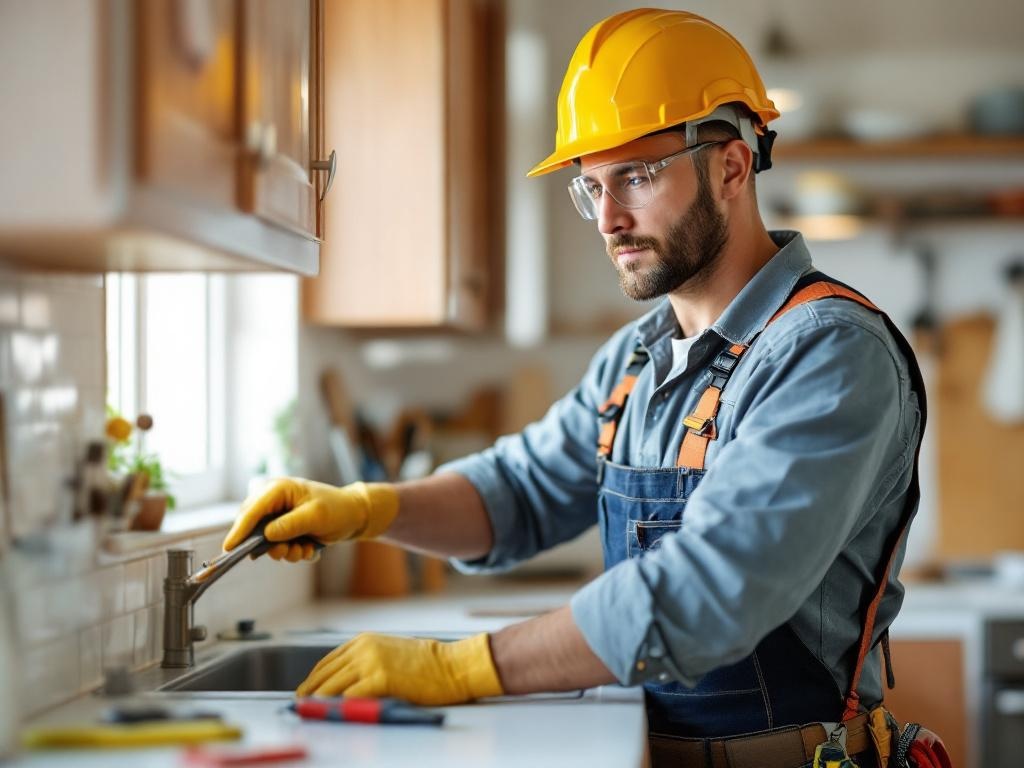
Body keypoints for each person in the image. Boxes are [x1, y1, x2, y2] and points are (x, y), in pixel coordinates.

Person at [223, 9, 926, 767]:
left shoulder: (826, 352)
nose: (609, 219)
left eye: (638, 175)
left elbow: (711, 590)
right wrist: (368, 508)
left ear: (730, 167)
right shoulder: (637, 358)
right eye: (590, 187)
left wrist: (459, 668)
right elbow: (518, 492)